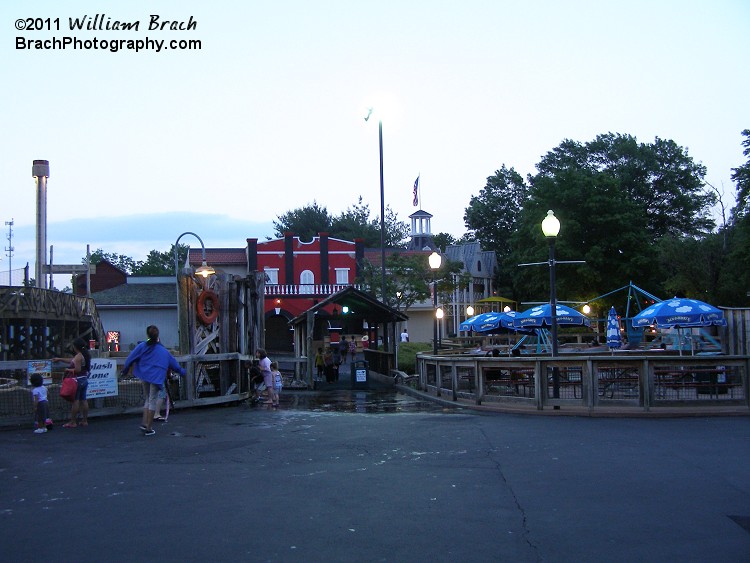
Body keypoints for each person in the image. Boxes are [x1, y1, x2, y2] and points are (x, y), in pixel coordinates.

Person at [122, 326, 185, 436]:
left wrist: (125, 370)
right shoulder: (163, 351)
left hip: (144, 375)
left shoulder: (142, 346)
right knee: (152, 400)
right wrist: (183, 372)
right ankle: (149, 427)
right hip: (156, 377)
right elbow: (174, 365)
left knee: (148, 399)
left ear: (147, 335)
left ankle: (144, 422)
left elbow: (130, 358)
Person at [53, 337, 91, 428]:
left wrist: (68, 369)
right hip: (84, 379)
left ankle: (73, 422)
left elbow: (77, 369)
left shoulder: (78, 356)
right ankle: (84, 420)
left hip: (77, 380)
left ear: (75, 347)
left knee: (76, 401)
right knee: (84, 400)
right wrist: (60, 359)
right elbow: (72, 360)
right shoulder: (85, 355)